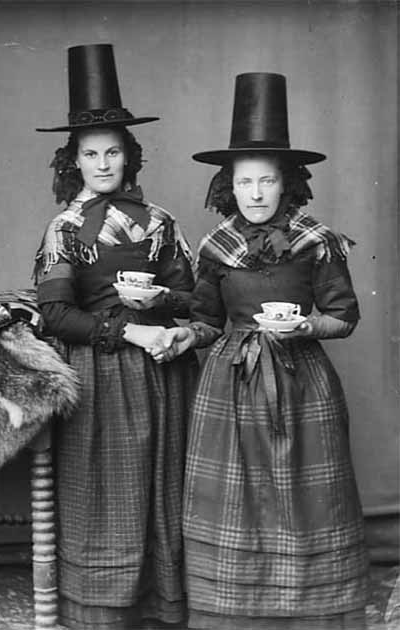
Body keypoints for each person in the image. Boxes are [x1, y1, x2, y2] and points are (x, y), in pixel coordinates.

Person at [149, 73, 368, 629]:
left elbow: (344, 317)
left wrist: (305, 327)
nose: (256, 193)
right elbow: (206, 320)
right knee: (236, 497)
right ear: (229, 186)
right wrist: (183, 336)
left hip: (302, 379)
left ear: (286, 184)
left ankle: (308, 613)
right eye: (245, 182)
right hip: (231, 382)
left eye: (267, 181)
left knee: (301, 495)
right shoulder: (216, 247)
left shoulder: (317, 242)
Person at [34, 44, 197, 630]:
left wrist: (162, 308)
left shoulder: (159, 221)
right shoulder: (65, 228)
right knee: (108, 497)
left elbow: (194, 299)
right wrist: (128, 329)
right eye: (90, 153)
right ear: (73, 161)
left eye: (113, 151)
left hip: (165, 372)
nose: (103, 163)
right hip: (101, 375)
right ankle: (103, 614)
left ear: (131, 155)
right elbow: (55, 314)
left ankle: (163, 609)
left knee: (164, 489)